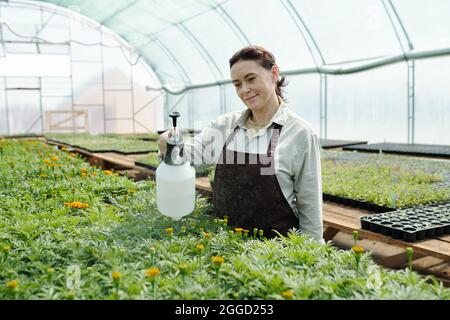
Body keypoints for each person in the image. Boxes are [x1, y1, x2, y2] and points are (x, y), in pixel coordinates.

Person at [158, 45, 323, 243]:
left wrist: (312, 255)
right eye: (237, 84)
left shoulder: (299, 133)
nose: (244, 90)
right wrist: (168, 145)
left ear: (274, 74)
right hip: (224, 248)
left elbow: (310, 205)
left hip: (276, 254)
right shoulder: (225, 126)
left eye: (251, 79)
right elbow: (186, 158)